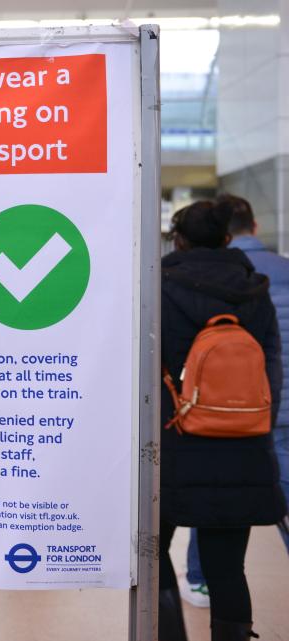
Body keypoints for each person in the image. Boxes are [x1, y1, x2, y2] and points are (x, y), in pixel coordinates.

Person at [160, 200, 287, 641]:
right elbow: (271, 364)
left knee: (153, 556)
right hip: (241, 444)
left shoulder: (161, 285)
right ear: (227, 239)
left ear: (178, 240)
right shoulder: (255, 289)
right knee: (228, 567)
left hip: (172, 443)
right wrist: (258, 424)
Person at [223, 193, 289, 553]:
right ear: (256, 226)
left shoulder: (227, 275)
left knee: (220, 484)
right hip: (282, 397)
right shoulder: (283, 267)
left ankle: (202, 575)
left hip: (240, 401)